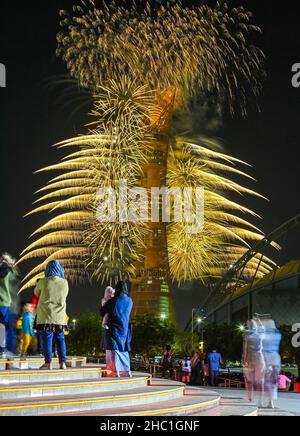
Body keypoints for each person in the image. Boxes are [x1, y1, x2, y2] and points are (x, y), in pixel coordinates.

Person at [34, 260, 69, 370]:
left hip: (46, 316)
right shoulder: (65, 282)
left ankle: (48, 363)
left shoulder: (43, 281)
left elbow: (36, 292)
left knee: (47, 339)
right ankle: (62, 363)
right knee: (60, 338)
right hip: (60, 317)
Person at [100, 281, 133, 377]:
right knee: (123, 350)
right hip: (125, 329)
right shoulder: (130, 301)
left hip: (113, 328)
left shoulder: (113, 301)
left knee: (114, 350)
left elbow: (102, 312)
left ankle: (116, 371)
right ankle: (127, 370)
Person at [0, 253, 20, 357]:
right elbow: (17, 277)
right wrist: (13, 266)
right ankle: (3, 349)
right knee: (4, 327)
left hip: (5, 304)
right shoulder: (8, 271)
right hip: (5, 303)